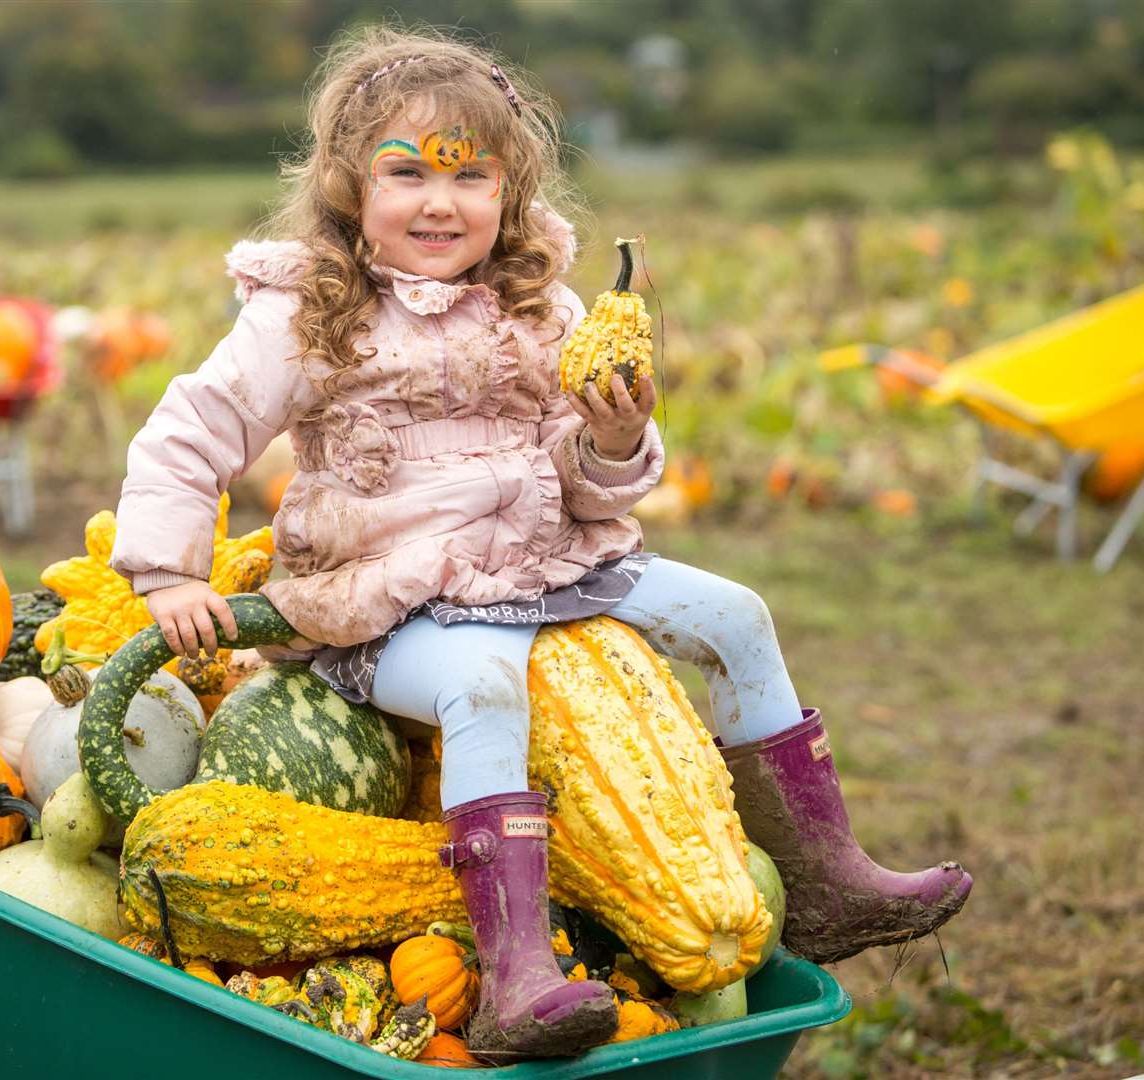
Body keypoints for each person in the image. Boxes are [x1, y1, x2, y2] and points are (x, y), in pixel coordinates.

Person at [110, 27, 972, 1059]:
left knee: (737, 615)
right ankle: (516, 967)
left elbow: (579, 465)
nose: (441, 203)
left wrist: (613, 440)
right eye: (406, 174)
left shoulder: (540, 305)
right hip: (390, 597)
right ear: (347, 188)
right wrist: (166, 574)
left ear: (508, 193)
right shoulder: (307, 314)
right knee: (482, 684)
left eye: (471, 176)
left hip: (546, 559)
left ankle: (824, 874)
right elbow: (188, 432)